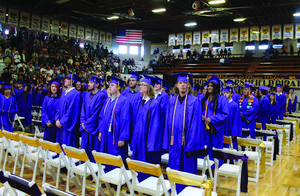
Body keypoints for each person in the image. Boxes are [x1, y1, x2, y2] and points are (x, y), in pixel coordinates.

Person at [163, 72, 202, 192]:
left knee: (187, 166)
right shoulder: (171, 100)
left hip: (187, 142)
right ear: (177, 85)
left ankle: (188, 191)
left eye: (185, 83)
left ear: (188, 85)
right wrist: (168, 139)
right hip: (174, 141)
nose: (183, 85)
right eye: (180, 83)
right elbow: (167, 122)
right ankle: (175, 189)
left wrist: (189, 141)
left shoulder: (194, 101)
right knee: (174, 165)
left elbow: (196, 125)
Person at [131, 74, 162, 177]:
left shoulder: (154, 104)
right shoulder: (139, 103)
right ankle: (138, 181)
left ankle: (146, 183)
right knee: (137, 161)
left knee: (147, 162)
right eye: (140, 84)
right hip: (139, 138)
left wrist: (151, 143)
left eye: (143, 85)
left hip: (147, 140)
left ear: (149, 87)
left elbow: (155, 126)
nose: (140, 86)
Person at [98, 76, 130, 169]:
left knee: (115, 157)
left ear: (118, 87)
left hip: (116, 136)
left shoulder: (124, 101)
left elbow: (125, 120)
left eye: (112, 85)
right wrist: (100, 131)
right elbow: (101, 117)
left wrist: (122, 138)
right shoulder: (107, 100)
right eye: (109, 85)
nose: (109, 87)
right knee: (105, 155)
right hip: (105, 134)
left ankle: (116, 180)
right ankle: (107, 177)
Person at [201, 75, 229, 159]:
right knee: (205, 148)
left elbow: (225, 114)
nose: (209, 87)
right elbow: (201, 111)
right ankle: (205, 168)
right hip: (205, 129)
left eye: (211, 86)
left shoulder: (222, 99)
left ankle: (215, 169)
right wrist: (202, 116)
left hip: (216, 130)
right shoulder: (204, 99)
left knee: (215, 149)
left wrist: (212, 119)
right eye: (208, 85)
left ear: (216, 87)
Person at [80, 76, 106, 161]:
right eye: (88, 82)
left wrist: (87, 125)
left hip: (94, 129)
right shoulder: (86, 95)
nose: (88, 84)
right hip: (85, 128)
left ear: (97, 84)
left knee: (93, 152)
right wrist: (83, 122)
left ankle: (93, 172)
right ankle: (84, 170)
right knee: (84, 150)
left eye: (91, 83)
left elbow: (97, 113)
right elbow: (82, 110)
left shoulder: (101, 96)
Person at [55, 72, 82, 147]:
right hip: (60, 126)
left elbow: (72, 112)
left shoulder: (76, 94)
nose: (65, 80)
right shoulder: (63, 94)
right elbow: (58, 108)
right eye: (65, 78)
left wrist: (62, 122)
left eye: (67, 79)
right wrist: (57, 119)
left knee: (68, 149)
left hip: (68, 127)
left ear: (72, 81)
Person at [42, 79, 61, 143]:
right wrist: (46, 121)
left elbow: (59, 111)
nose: (54, 88)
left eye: (55, 87)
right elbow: (44, 110)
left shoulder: (60, 99)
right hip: (47, 124)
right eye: (52, 86)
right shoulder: (46, 98)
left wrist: (52, 121)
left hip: (55, 125)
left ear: (58, 88)